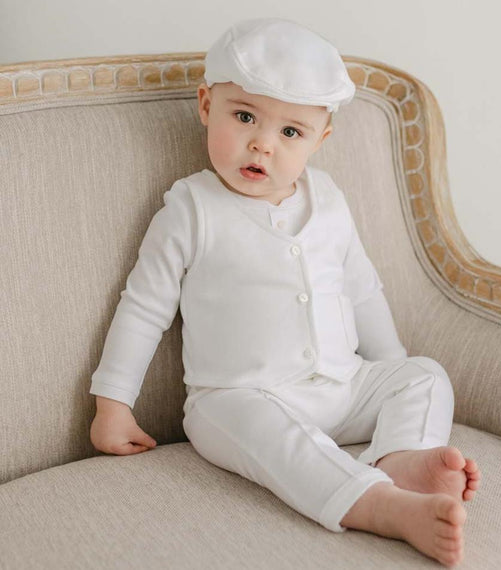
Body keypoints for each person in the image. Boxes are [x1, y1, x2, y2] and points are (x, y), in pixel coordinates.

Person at [89, 17, 481, 567]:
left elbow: (362, 289)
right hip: (239, 399)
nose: (261, 144)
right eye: (244, 116)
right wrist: (113, 406)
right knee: (274, 439)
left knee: (424, 374)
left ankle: (400, 458)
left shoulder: (331, 200)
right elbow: (143, 308)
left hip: (341, 391)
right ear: (206, 105)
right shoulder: (191, 210)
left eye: (289, 132)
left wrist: (390, 366)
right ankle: (381, 506)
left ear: (321, 139)